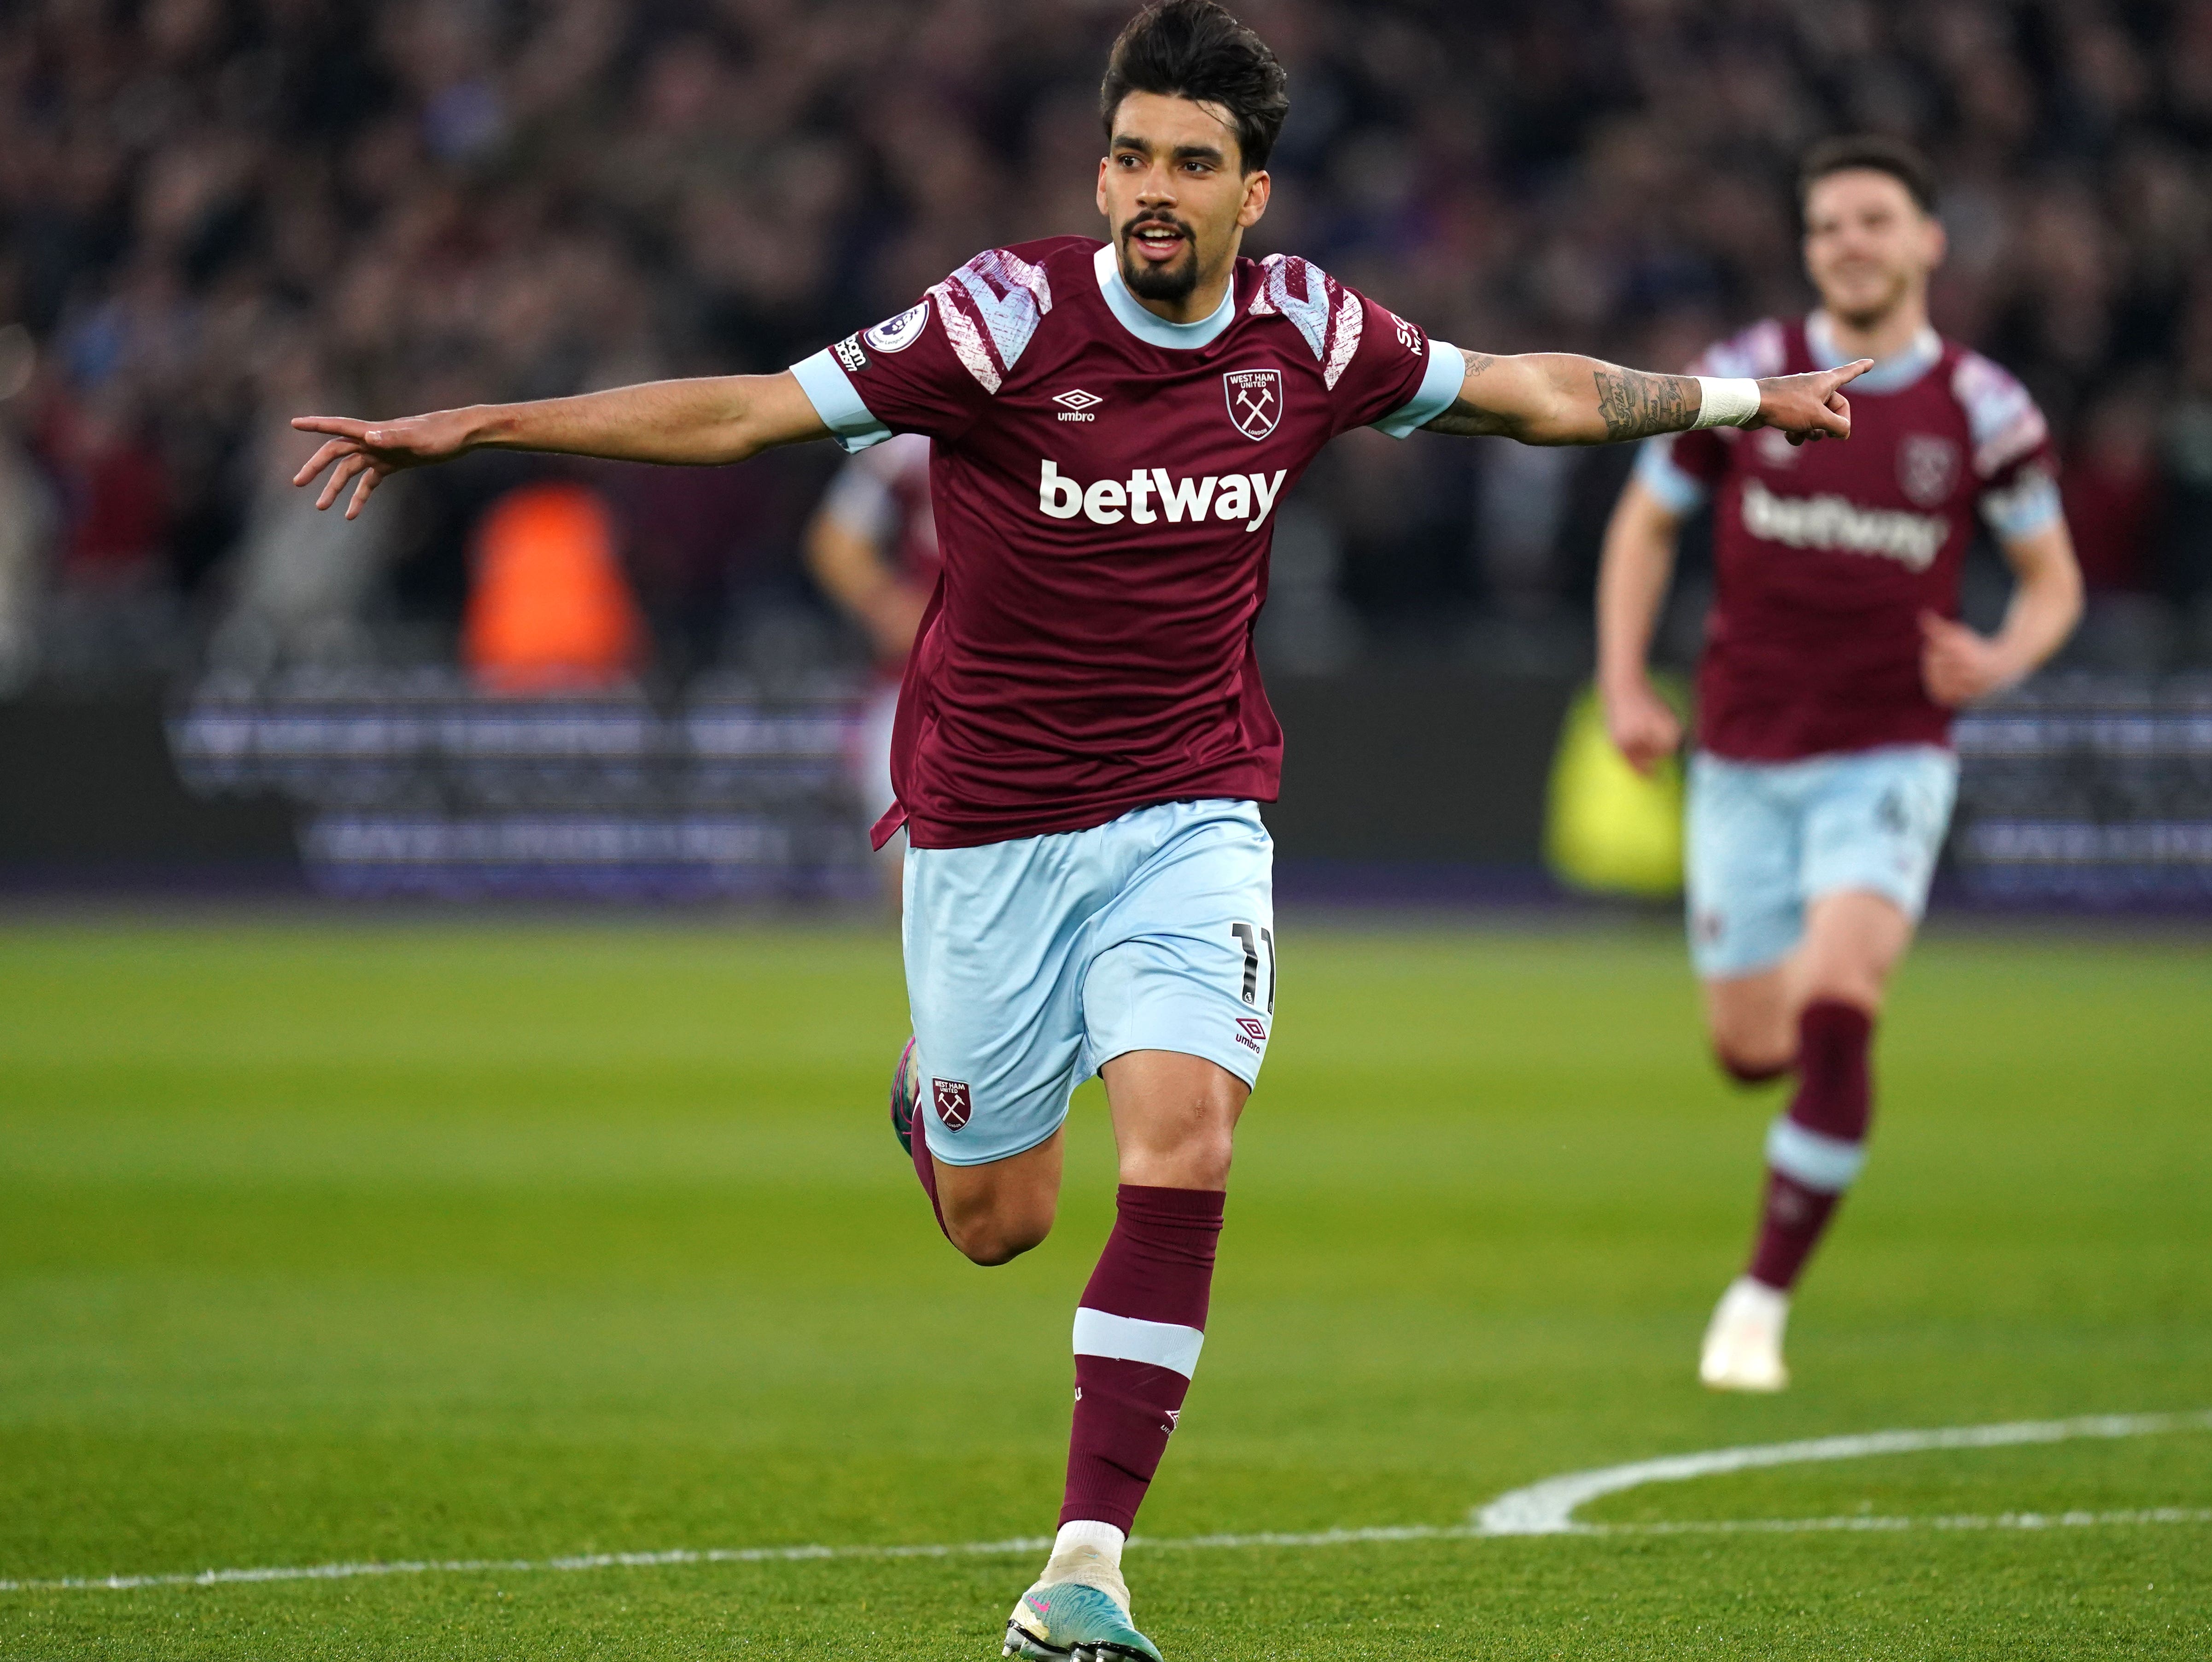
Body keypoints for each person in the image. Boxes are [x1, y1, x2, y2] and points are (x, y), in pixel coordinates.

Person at [291, 5, 1866, 1654]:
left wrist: (1737, 401)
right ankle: (934, 1098)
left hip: (1195, 810)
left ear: (1256, 191)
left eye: (1191, 163)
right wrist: (477, 428)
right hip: (984, 829)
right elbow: (752, 412)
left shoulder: (1308, 334)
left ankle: (1084, 1569)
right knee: (1001, 1223)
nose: (1150, 193)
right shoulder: (998, 320)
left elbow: (1527, 393)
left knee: (1184, 1144)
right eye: (1130, 157)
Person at [1595, 135, 2084, 1395]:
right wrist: (1619, 680)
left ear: (1927, 240)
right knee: (1749, 1045)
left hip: (1888, 749)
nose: (1849, 243)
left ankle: (1756, 1305)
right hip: (1744, 755)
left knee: (1837, 1001)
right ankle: (1802, 1115)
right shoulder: (1745, 376)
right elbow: (1647, 521)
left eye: (1873, 220)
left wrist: (2000, 656)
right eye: (1827, 228)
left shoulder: (1982, 408)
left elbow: (2051, 581)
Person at [802, 433, 941, 898]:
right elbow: (835, 541)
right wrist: (887, 604)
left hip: (1026, 681)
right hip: (919, 688)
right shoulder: (914, 443)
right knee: (911, 877)